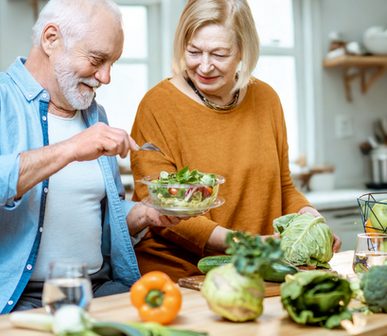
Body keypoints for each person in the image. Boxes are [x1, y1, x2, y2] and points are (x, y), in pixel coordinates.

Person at [0, 0, 182, 325]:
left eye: (113, 63)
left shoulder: (95, 115)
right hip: (13, 302)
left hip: (99, 291)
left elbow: (87, 216)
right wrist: (70, 148)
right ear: (51, 39)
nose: (106, 77)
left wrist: (143, 214)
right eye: (97, 60)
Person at [130, 0, 342, 282]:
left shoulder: (266, 99)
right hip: (182, 277)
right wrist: (245, 244)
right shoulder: (157, 105)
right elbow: (160, 207)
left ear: (244, 49)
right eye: (193, 51)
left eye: (219, 54)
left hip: (258, 271)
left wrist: (310, 221)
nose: (204, 66)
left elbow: (283, 186)